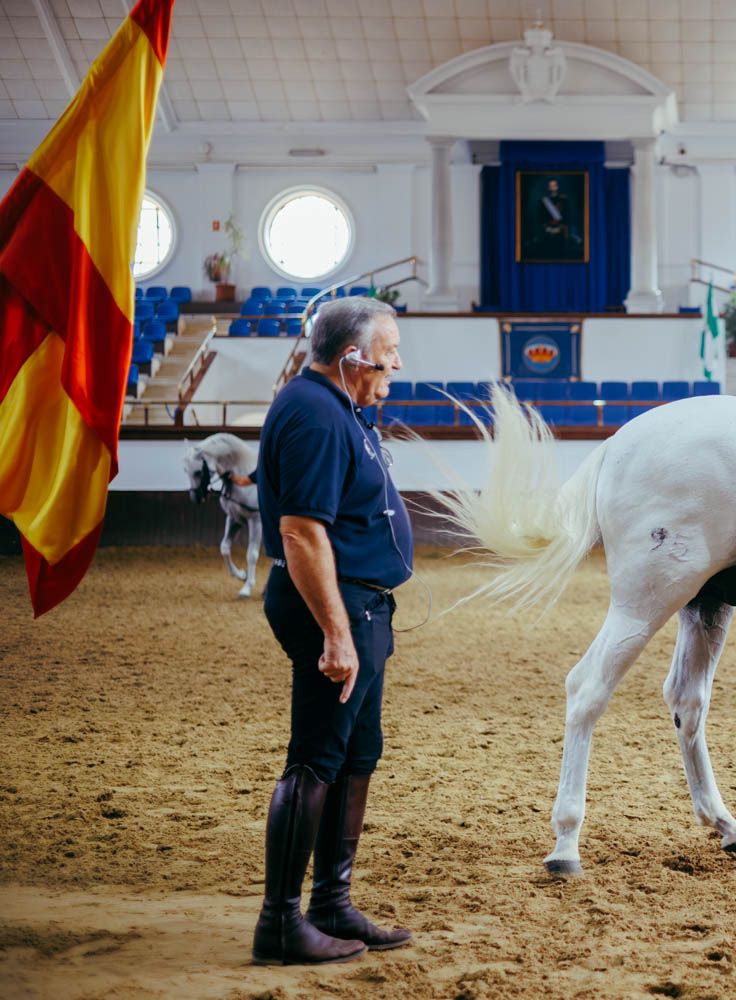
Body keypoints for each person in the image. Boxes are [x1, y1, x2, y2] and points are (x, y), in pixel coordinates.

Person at [250, 297, 415, 966]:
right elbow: (300, 531)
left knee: (354, 755)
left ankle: (330, 903)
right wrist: (337, 636)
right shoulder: (314, 413)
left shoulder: (340, 409)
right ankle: (281, 922)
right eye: (390, 349)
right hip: (335, 609)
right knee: (316, 757)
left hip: (362, 607)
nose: (397, 363)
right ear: (352, 355)